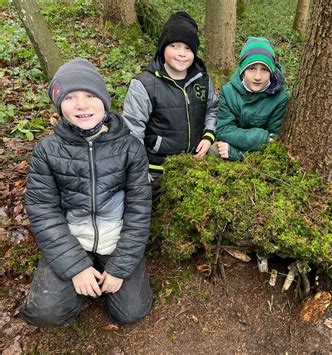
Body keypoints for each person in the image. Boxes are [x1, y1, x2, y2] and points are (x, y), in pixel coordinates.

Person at [21, 58, 153, 327]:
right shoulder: (47, 150)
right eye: (70, 98)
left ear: (104, 100)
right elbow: (43, 211)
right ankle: (78, 281)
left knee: (131, 312)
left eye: (90, 95)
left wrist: (119, 268)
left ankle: (105, 274)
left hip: (115, 240)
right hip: (72, 239)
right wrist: (76, 267)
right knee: (43, 313)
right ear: (60, 107)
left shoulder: (130, 148)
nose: (82, 105)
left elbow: (139, 211)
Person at [123, 11, 218, 203]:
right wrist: (140, 170)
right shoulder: (144, 84)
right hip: (156, 169)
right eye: (174, 46)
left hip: (193, 165)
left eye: (188, 48)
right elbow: (133, 130)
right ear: (162, 48)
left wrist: (208, 136)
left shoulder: (201, 80)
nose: (181, 53)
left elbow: (212, 108)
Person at [210, 37, 289, 161]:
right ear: (243, 70)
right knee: (212, 150)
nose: (257, 77)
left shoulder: (280, 99)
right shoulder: (228, 91)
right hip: (232, 147)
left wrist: (236, 153)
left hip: (256, 155)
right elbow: (223, 129)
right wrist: (261, 137)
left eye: (264, 69)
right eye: (251, 68)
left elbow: (273, 141)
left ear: (272, 72)